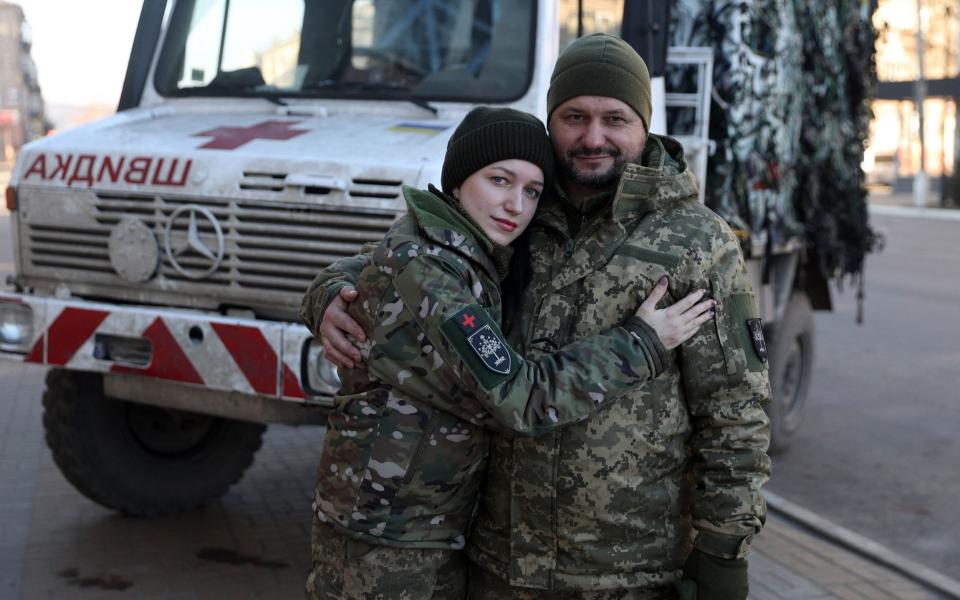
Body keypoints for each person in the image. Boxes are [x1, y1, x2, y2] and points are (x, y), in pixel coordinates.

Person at [308, 34, 772, 600]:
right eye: (574, 117)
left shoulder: (697, 243)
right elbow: (397, 260)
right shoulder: (519, 208)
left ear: (644, 125)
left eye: (615, 118)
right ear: (551, 120)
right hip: (496, 560)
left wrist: (725, 549)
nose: (593, 137)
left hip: (625, 570)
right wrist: (329, 295)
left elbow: (734, 410)